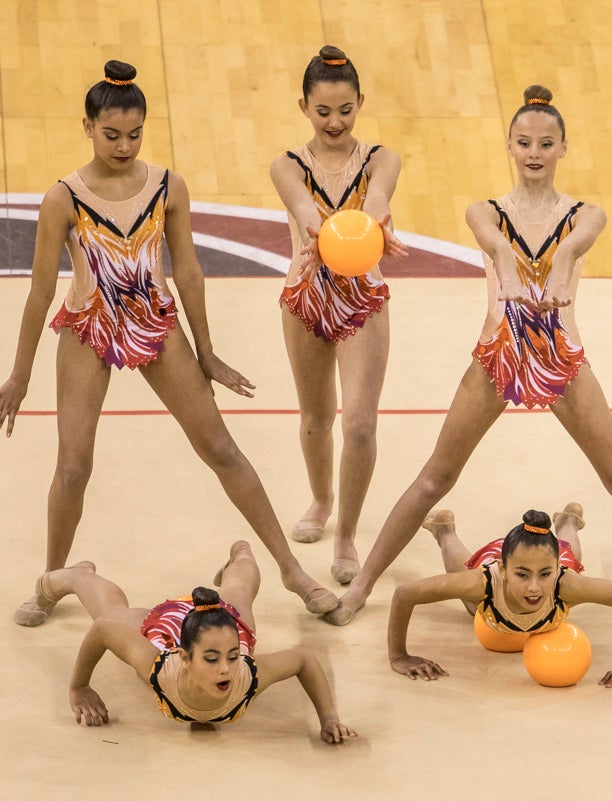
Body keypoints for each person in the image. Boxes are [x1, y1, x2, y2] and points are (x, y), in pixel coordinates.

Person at [325, 84, 612, 634]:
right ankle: (362, 590)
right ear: (509, 148)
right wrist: (512, 273)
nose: (534, 152)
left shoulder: (585, 214)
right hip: (498, 357)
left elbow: (579, 240)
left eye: (546, 142)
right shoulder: (484, 211)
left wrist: (562, 256)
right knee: (434, 478)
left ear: (564, 148)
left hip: (561, 360)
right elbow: (492, 242)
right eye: (524, 142)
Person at [0, 60, 338, 621]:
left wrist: (206, 350)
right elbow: (39, 292)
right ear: (87, 127)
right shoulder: (63, 199)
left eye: (135, 134)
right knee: (73, 467)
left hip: (154, 320)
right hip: (88, 325)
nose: (124, 146)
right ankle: (51, 581)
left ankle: (292, 571)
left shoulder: (168, 187)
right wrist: (20, 373)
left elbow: (189, 271)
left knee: (220, 448)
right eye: (111, 135)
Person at [269, 45, 408, 586]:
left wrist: (373, 226)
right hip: (305, 297)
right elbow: (304, 209)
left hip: (362, 298)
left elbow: (376, 201)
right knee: (315, 418)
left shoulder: (381, 158)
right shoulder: (287, 165)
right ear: (304, 106)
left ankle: (347, 532)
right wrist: (317, 229)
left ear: (360, 104)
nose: (335, 122)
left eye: (345, 110)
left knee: (361, 425)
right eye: (323, 111)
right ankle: (322, 499)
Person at [37, 541, 356, 743]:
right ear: (185, 660)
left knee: (239, 595)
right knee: (112, 612)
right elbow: (105, 628)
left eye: (231, 659)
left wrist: (328, 719)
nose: (225, 670)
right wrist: (79, 687)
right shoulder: (159, 666)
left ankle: (241, 553)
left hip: (220, 627)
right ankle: (77, 576)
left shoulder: (246, 675)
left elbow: (303, 660)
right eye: (213, 660)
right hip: (170, 631)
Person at [388, 505, 612, 688]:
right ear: (504, 570)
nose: (534, 588)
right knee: (473, 605)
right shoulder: (483, 583)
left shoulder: (566, 584)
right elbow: (405, 594)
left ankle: (567, 522)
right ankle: (444, 531)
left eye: (545, 575)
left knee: (570, 556)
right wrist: (400, 657)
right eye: (522, 576)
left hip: (552, 557)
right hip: (499, 569)